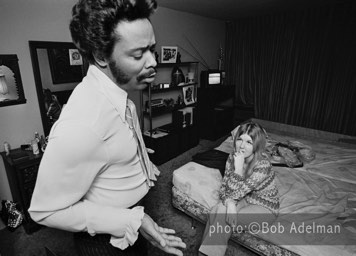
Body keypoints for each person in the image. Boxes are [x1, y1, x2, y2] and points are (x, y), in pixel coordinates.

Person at [28, 0, 186, 255]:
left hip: (136, 217)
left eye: (152, 50)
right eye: (138, 54)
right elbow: (44, 211)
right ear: (101, 56)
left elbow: (117, 144)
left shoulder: (121, 96)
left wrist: (141, 164)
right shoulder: (83, 125)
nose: (153, 62)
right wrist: (131, 221)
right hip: (104, 243)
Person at [199, 121, 280, 256]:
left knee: (220, 215)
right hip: (244, 198)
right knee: (219, 209)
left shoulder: (263, 165)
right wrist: (229, 203)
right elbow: (224, 189)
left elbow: (239, 191)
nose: (242, 146)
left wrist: (237, 170)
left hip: (265, 207)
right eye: (240, 139)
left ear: (256, 145)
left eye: (249, 142)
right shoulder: (232, 157)